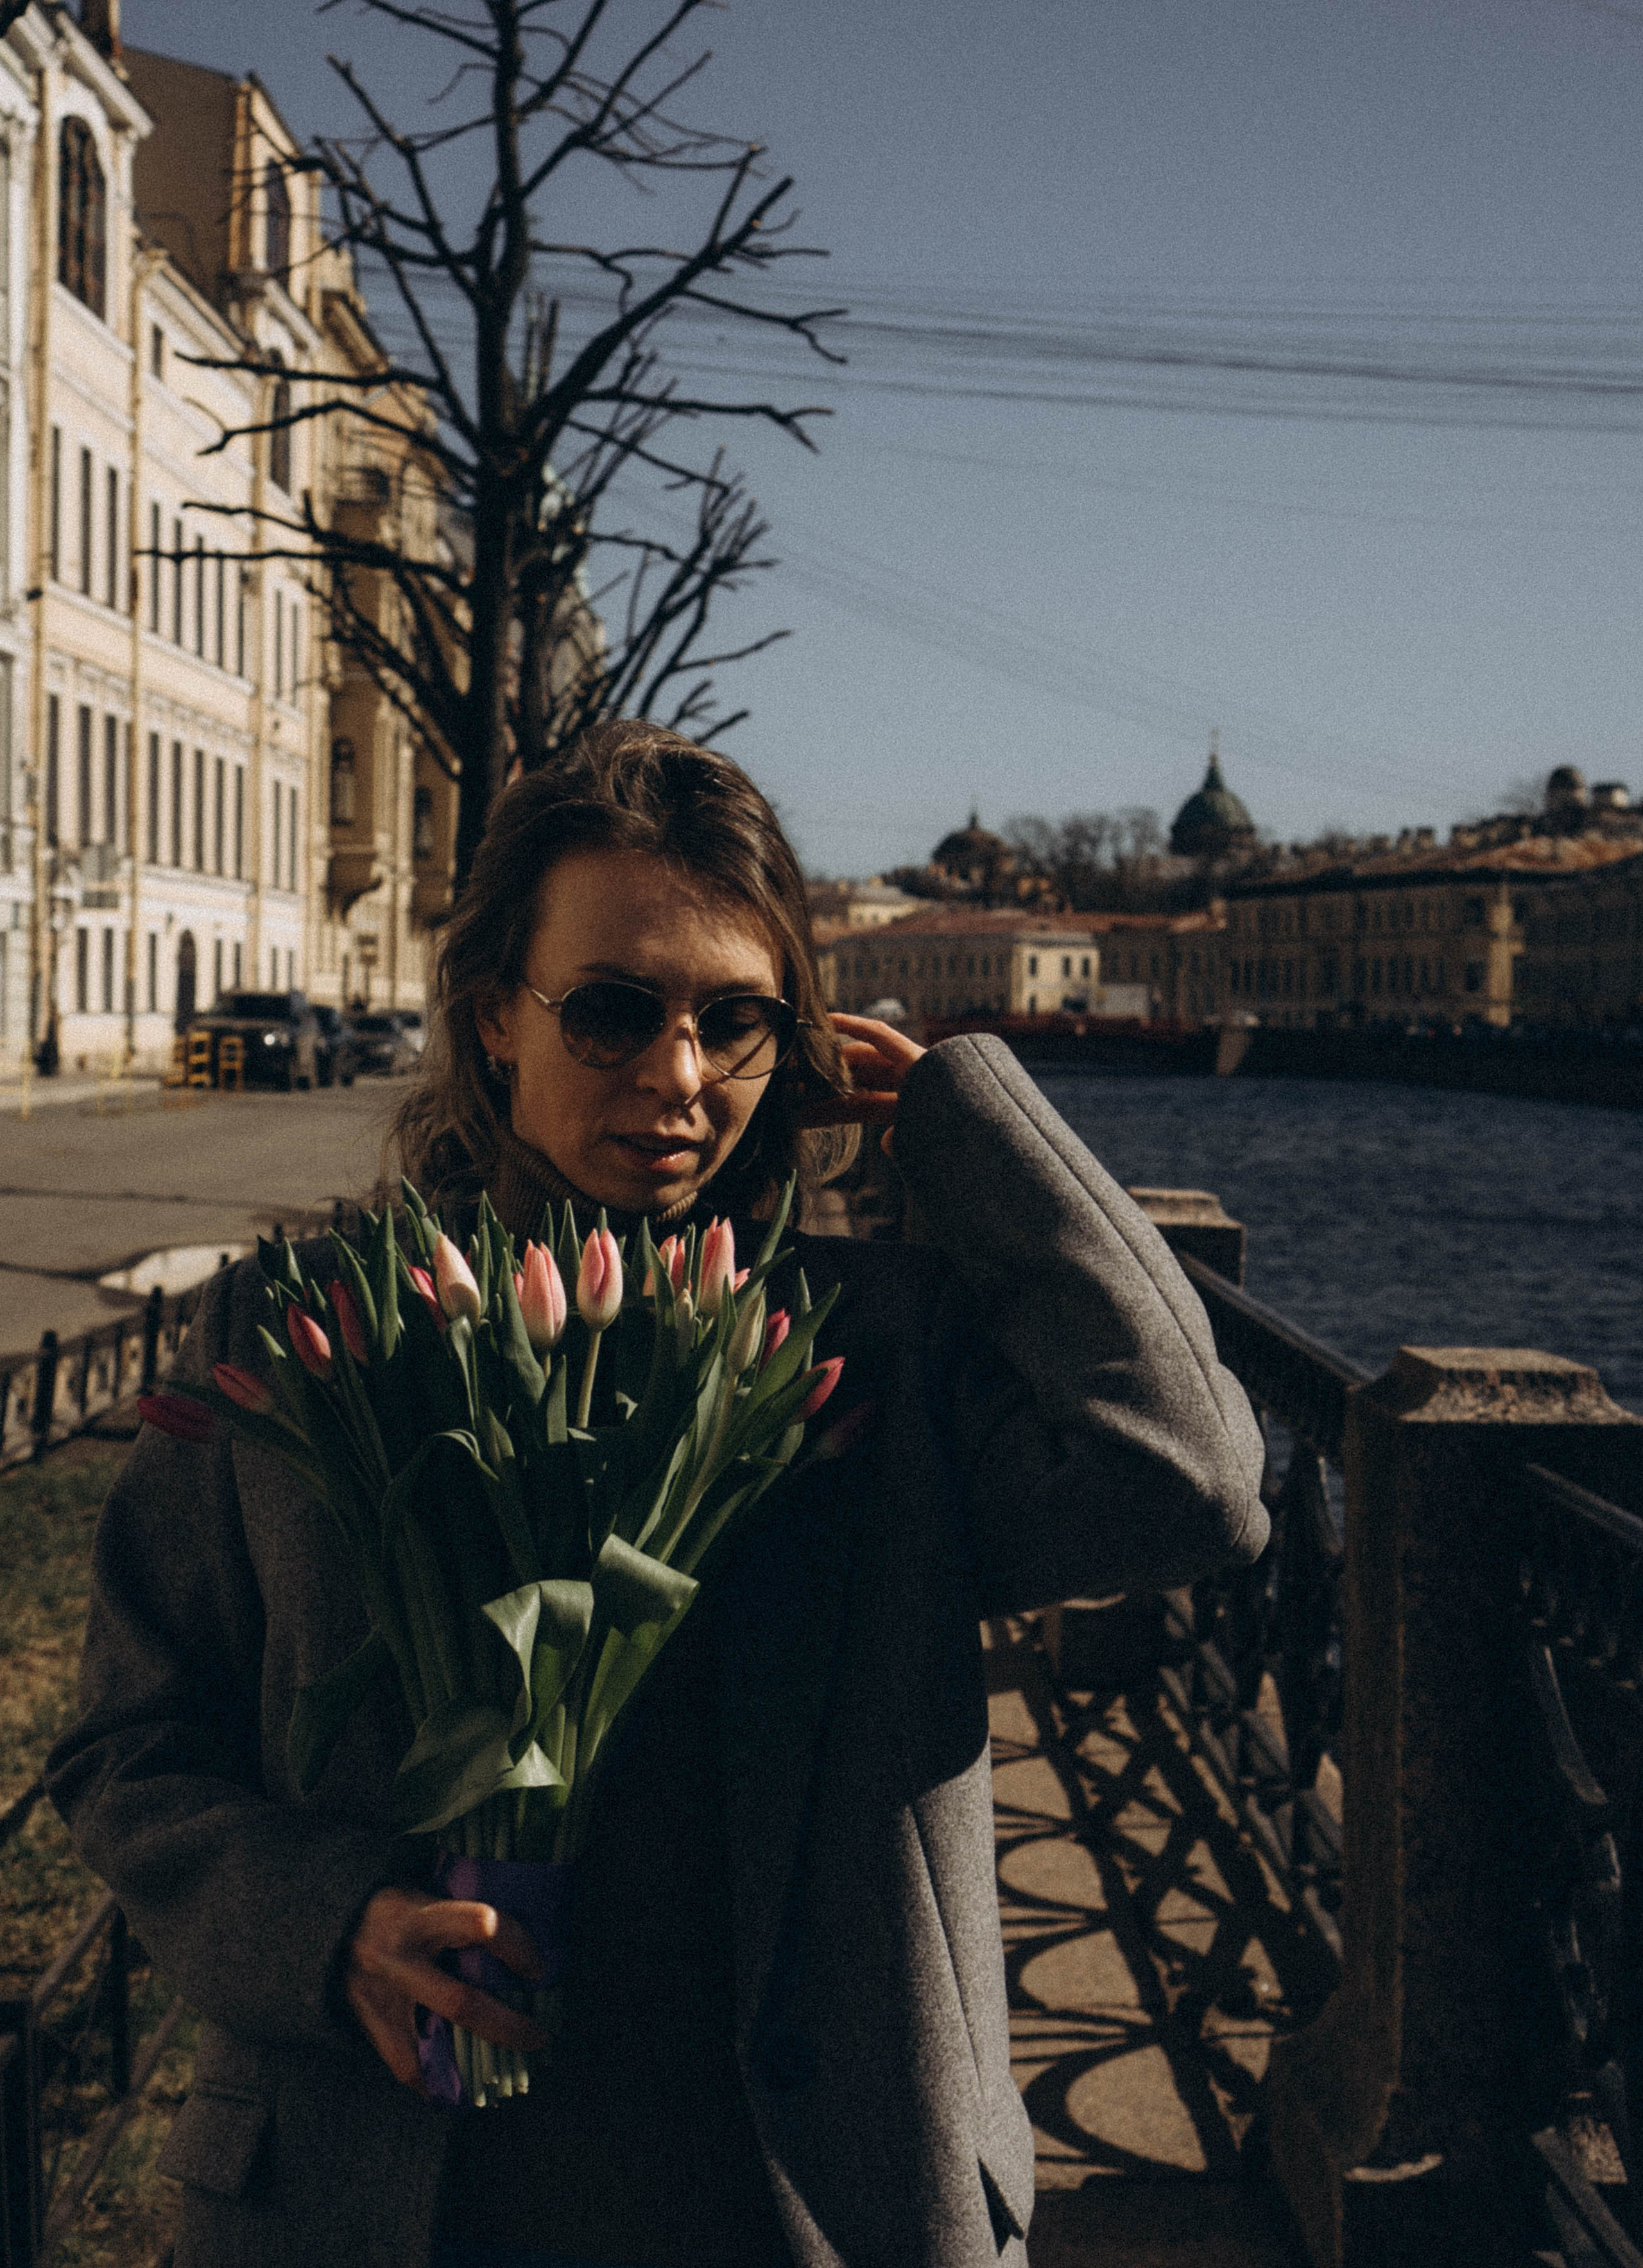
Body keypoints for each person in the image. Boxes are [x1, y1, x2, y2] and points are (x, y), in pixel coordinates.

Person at [48, 722, 1269, 2268]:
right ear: (496, 1017)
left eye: (736, 1021)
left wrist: (969, 1123)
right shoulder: (305, 1333)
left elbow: (1188, 1480)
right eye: (614, 1012)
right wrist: (329, 1926)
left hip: (799, 2194)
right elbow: (130, 1744)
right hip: (373, 2184)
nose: (679, 1077)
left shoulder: (869, 1357)